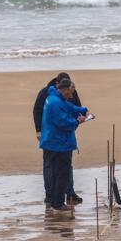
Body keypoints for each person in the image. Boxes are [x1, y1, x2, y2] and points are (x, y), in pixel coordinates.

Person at [39, 79, 91, 211]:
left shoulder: (54, 98)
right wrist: (77, 121)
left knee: (58, 173)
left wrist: (84, 110)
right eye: (71, 92)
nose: (72, 96)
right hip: (59, 144)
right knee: (62, 174)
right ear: (65, 89)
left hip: (53, 142)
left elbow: (69, 107)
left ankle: (56, 201)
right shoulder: (55, 102)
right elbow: (63, 122)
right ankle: (58, 203)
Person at [33, 72, 83, 204]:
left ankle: (69, 193)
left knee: (65, 167)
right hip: (52, 136)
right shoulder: (47, 94)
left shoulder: (68, 92)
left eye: (71, 93)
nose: (70, 95)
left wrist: (83, 112)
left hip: (64, 135)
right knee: (51, 167)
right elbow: (37, 110)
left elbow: (73, 106)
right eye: (68, 93)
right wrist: (38, 130)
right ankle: (51, 196)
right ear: (58, 84)